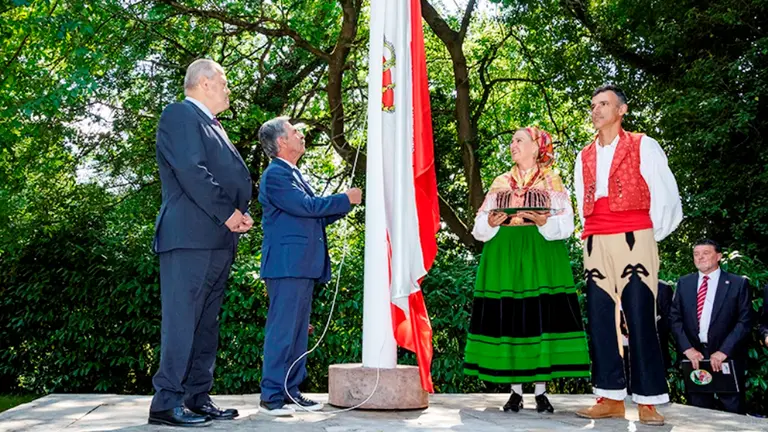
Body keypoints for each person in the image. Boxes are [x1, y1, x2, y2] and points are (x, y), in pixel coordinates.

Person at [148, 59, 252, 427]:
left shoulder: (212, 125)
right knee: (182, 320)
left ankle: (196, 395)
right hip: (189, 237)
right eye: (224, 83)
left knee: (206, 323)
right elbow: (192, 170)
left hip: (218, 237)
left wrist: (238, 214)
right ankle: (165, 403)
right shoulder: (180, 115)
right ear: (205, 83)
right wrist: (228, 212)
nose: (227, 90)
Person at [574, 85, 683, 426]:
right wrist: (592, 234)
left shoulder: (643, 144)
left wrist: (647, 234)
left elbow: (666, 196)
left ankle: (649, 401)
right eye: (593, 105)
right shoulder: (584, 155)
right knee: (600, 316)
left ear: (622, 110)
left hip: (635, 234)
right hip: (595, 238)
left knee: (640, 315)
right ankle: (609, 396)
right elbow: (583, 202)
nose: (596, 110)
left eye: (604, 104)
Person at [464, 127, 590, 414]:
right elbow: (479, 229)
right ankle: (515, 392)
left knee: (540, 315)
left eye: (519, 140)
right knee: (510, 316)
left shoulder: (551, 180)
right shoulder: (500, 182)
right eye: (511, 141)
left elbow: (567, 227)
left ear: (536, 147)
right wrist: (492, 223)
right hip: (504, 253)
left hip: (540, 252)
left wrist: (544, 223)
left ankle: (542, 392)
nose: (513, 145)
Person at [257, 116, 362, 416]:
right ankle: (272, 396)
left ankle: (290, 390)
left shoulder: (294, 174)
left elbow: (316, 215)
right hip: (286, 265)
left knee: (298, 330)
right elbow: (308, 207)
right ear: (281, 142)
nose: (300, 134)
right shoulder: (276, 175)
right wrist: (346, 198)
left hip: (301, 265)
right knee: (283, 330)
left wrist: (344, 204)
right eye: (294, 131)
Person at [669, 239, 752, 414]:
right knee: (698, 412)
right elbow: (675, 319)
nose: (700, 257)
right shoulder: (684, 283)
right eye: (696, 254)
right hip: (695, 358)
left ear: (719, 256)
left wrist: (724, 351)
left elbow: (744, 322)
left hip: (726, 357)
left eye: (706, 253)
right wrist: (688, 349)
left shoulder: (737, 283)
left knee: (733, 411)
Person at [621, 280, 674, 395]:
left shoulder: (662, 288)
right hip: (621, 353)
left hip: (651, 353)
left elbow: (669, 321)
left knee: (653, 394)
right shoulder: (614, 286)